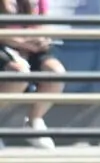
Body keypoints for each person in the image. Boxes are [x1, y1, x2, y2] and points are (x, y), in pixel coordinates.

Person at [0, 0, 63, 149]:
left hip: (30, 45)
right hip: (5, 44)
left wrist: (43, 39)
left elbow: (44, 23)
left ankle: (34, 121)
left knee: (56, 73)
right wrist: (22, 43)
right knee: (19, 73)